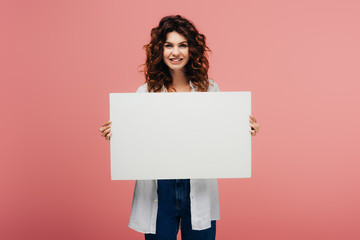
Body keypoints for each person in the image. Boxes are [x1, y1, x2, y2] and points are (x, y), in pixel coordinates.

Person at [99, 15, 260, 240]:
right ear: (160, 50)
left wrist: (241, 131)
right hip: (159, 189)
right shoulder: (144, 93)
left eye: (182, 45)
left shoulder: (210, 90)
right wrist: (119, 134)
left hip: (197, 185)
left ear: (191, 49)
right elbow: (139, 142)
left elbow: (218, 136)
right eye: (169, 46)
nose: (176, 52)